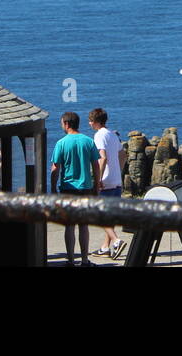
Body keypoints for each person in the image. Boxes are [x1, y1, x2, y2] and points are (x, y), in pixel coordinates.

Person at [50, 112, 101, 266]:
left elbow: (55, 169)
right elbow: (96, 166)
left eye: (61, 123)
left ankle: (71, 260)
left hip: (67, 188)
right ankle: (85, 260)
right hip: (86, 187)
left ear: (66, 124)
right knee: (84, 225)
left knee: (69, 226)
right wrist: (96, 185)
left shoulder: (61, 143)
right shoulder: (88, 142)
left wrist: (53, 188)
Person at [87, 108, 126, 259]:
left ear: (95, 122)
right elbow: (123, 154)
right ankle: (105, 247)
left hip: (106, 180)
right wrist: (119, 170)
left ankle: (116, 240)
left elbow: (102, 158)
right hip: (116, 179)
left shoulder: (99, 136)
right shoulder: (113, 135)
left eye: (90, 121)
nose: (89, 124)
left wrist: (98, 179)